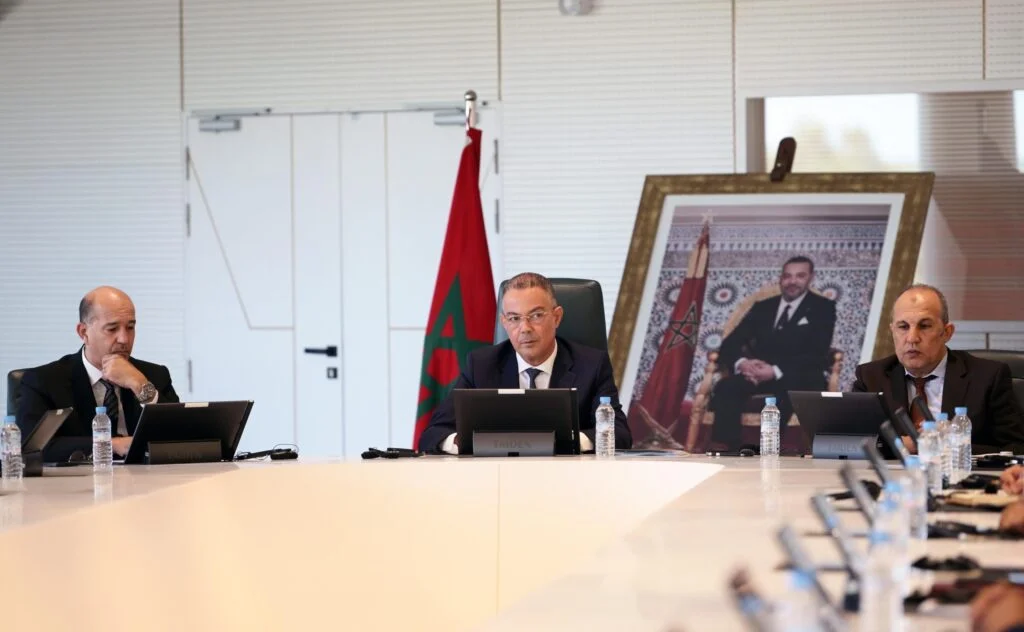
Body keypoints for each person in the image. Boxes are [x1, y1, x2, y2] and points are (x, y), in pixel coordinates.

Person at [418, 272, 632, 454]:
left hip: (568, 479)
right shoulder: (481, 365)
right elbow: (433, 434)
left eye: (536, 316)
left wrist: (565, 443)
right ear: (504, 322)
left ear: (557, 317)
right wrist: (467, 444)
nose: (525, 328)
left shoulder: (591, 365)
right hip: (499, 479)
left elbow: (620, 435)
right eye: (514, 318)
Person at [852, 284, 1024, 454]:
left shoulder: (988, 377)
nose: (912, 338)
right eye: (903, 327)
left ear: (947, 332)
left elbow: (1016, 447)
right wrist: (900, 445)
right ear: (892, 331)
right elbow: (851, 441)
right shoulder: (870, 377)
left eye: (924, 326)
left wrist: (952, 446)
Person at [16, 286, 179, 462]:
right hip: (81, 478)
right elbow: (32, 449)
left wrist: (141, 387)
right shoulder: (44, 381)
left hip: (147, 477)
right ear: (83, 332)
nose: (124, 339)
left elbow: (180, 436)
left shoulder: (153, 375)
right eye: (112, 329)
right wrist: (112, 444)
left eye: (130, 327)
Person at [708, 256, 837, 450]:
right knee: (726, 387)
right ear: (781, 279)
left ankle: (767, 450)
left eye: (800, 276)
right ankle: (730, 449)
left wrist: (775, 370)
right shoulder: (763, 307)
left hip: (798, 376)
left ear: (811, 278)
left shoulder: (823, 308)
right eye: (787, 276)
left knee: (784, 395)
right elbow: (730, 344)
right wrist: (743, 363)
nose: (792, 281)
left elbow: (817, 353)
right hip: (758, 374)